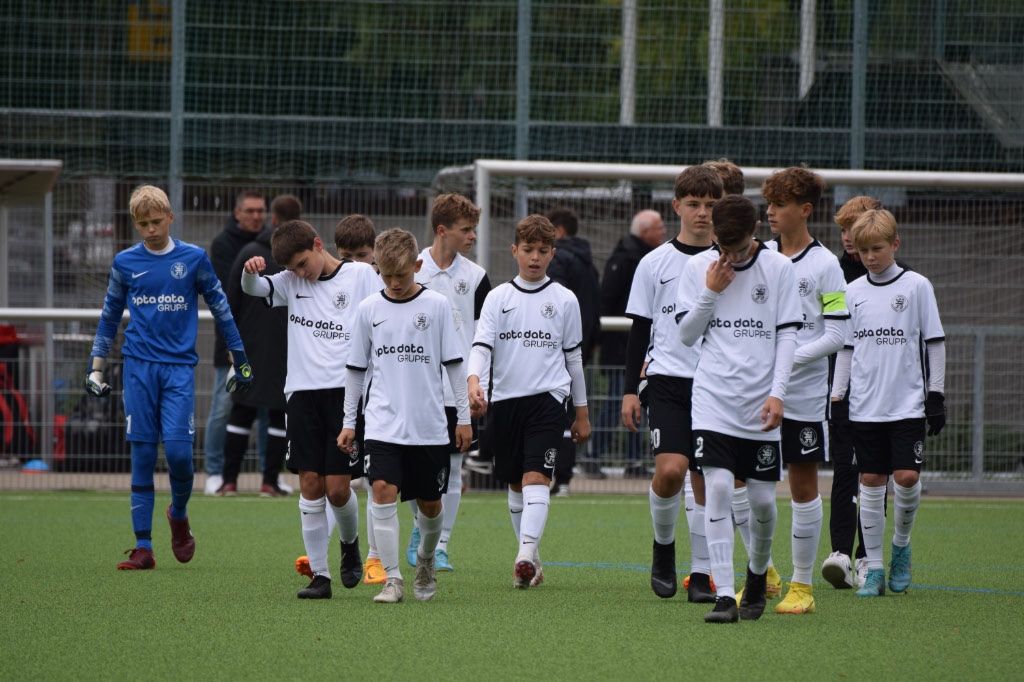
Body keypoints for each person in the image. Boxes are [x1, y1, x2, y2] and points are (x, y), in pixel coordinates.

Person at [86, 184, 253, 570]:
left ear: (171, 217)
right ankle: (143, 547)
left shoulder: (193, 258)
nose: (151, 229)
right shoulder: (125, 262)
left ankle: (178, 514)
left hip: (178, 369)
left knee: (178, 455)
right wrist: (96, 368)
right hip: (138, 368)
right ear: (135, 224)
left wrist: (240, 358)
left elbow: (222, 308)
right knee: (143, 454)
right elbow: (110, 316)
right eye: (143, 223)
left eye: (157, 221)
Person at [676, 193, 801, 623]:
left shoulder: (779, 268)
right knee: (718, 489)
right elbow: (686, 336)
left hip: (759, 404)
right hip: (712, 400)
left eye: (739, 246)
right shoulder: (698, 268)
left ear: (756, 232)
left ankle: (757, 574)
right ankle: (725, 596)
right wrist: (710, 293)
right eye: (723, 246)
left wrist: (778, 393)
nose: (730, 255)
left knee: (763, 502)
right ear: (713, 234)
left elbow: (788, 336)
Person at [241, 219, 381, 599]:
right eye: (293, 268)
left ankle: (350, 544)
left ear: (319, 245)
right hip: (301, 395)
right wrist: (249, 272)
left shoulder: (360, 275)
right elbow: (255, 288)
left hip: (345, 394)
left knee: (338, 489)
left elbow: (384, 313)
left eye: (303, 263)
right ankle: (320, 576)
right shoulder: (291, 282)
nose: (301, 273)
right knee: (310, 484)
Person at [338, 228, 472, 604]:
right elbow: (355, 370)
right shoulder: (368, 309)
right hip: (382, 423)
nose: (394, 283)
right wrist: (349, 422)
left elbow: (455, 366)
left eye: (401, 274)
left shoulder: (438, 306)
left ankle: (426, 558)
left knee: (431, 506)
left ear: (417, 265)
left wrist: (464, 418)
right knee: (381, 491)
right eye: (386, 275)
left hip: (429, 426)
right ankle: (393, 579)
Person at [468, 214, 591, 589]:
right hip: (505, 402)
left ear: (553, 253)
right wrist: (474, 381)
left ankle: (522, 555)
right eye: (528, 250)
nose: (535, 257)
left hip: (548, 401)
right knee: (514, 483)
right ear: (514, 251)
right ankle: (532, 560)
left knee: (537, 477)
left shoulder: (565, 299)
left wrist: (581, 412)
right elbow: (481, 346)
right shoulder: (498, 297)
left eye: (542, 250)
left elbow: (574, 358)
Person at [831, 209, 945, 597]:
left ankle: (900, 545)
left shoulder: (917, 286)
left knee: (907, 477)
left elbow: (934, 341)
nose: (870, 257)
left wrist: (936, 394)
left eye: (877, 249)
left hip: (907, 404)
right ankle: (875, 569)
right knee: (870, 480)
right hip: (865, 406)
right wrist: (837, 397)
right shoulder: (851, 292)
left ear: (895, 244)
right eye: (863, 251)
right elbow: (846, 348)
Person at [621, 166, 719, 603]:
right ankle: (664, 547)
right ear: (677, 206)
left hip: (715, 383)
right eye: (694, 204)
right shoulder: (654, 262)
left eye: (711, 205)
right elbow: (639, 329)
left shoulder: (729, 261)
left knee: (706, 478)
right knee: (671, 471)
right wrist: (629, 389)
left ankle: (701, 573)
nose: (702, 213)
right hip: (665, 380)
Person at [761, 168, 850, 614]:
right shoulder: (759, 256)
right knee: (743, 482)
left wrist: (786, 359)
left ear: (805, 210)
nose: (770, 212)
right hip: (756, 391)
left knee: (802, 485)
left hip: (803, 395)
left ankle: (802, 587)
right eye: (769, 203)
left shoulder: (826, 265)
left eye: (780, 204)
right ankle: (763, 574)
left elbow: (836, 334)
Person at [404, 194, 491, 571]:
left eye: (474, 229)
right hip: (414, 387)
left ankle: (440, 545)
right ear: (442, 230)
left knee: (454, 469)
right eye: (466, 229)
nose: (473, 236)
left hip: (457, 391)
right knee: (413, 466)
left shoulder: (477, 277)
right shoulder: (411, 269)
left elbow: (484, 337)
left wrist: (478, 384)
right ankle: (419, 527)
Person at [820, 195, 886, 590]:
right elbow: (832, 329)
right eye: (843, 229)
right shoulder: (833, 274)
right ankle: (841, 554)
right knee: (844, 470)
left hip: (882, 392)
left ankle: (868, 557)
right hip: (840, 388)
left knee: (875, 476)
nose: (847, 236)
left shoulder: (901, 279)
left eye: (855, 228)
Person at [219, 194, 303, 497]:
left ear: (273, 218)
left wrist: (230, 346)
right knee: (279, 414)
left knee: (241, 411)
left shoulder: (250, 252)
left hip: (249, 345)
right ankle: (269, 482)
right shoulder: (300, 259)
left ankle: (228, 481)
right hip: (286, 347)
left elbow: (230, 301)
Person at [204, 189, 268, 496]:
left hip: (266, 343)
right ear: (237, 212)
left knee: (269, 409)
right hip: (232, 344)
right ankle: (215, 472)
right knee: (222, 407)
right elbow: (226, 295)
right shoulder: (223, 245)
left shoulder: (271, 243)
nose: (256, 216)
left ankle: (270, 476)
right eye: (250, 211)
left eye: (261, 211)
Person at [596, 209, 664, 480]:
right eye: (659, 228)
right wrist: (607, 340)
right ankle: (595, 455)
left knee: (638, 400)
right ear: (645, 232)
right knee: (618, 400)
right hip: (620, 347)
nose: (663, 232)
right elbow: (608, 300)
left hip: (635, 345)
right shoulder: (627, 260)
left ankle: (633, 459)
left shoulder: (646, 258)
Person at [546, 207, 602, 486]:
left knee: (550, 410)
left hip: (555, 348)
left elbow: (553, 303)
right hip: (582, 345)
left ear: (558, 232)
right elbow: (596, 304)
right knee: (568, 410)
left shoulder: (560, 260)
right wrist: (592, 341)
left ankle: (550, 472)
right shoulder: (589, 263)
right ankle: (564, 478)